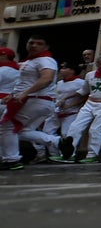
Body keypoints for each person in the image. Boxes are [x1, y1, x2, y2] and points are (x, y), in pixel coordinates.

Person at [54, 54, 101, 163]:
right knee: (75, 126)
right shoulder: (90, 75)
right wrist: (67, 97)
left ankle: (92, 155)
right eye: (100, 64)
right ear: (96, 64)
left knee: (95, 129)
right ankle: (68, 154)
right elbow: (84, 90)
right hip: (90, 103)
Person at [0, 36, 58, 170]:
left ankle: (11, 160)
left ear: (46, 47)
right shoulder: (30, 61)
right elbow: (24, 83)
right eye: (31, 43)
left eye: (39, 43)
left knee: (7, 126)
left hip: (36, 99)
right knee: (20, 130)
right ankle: (57, 142)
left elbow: (47, 79)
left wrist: (24, 93)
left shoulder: (46, 60)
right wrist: (13, 95)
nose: (34, 45)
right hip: (35, 100)